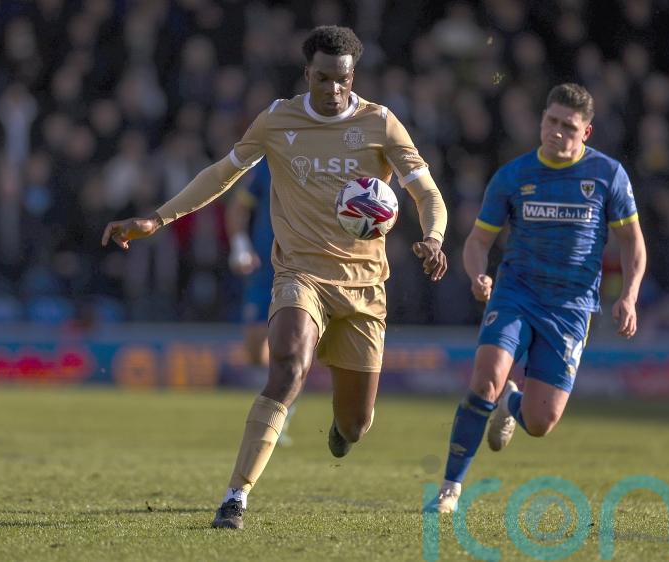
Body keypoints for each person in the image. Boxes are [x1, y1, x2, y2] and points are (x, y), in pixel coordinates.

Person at [101, 25, 448, 529]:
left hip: (364, 288)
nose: (333, 90)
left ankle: (343, 430)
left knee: (356, 423)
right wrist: (158, 218)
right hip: (299, 272)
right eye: (323, 78)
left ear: (353, 77)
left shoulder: (381, 124)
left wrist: (434, 238)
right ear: (307, 73)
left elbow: (428, 194)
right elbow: (221, 174)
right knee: (286, 364)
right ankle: (235, 496)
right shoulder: (277, 120)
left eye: (342, 80)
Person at [427, 83, 646, 513]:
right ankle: (450, 489)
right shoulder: (513, 176)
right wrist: (478, 275)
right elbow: (477, 241)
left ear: (586, 132)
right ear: (541, 120)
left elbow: (632, 243)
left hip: (570, 308)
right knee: (485, 376)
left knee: (541, 422)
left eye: (568, 126)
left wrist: (630, 297)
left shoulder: (607, 175)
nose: (557, 132)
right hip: (516, 293)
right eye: (551, 122)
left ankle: (512, 402)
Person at [226, 159, 295, 446]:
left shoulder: (327, 156)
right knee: (255, 348)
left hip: (301, 265)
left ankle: (281, 411)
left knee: (290, 344)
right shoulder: (269, 162)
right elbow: (238, 208)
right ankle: (281, 394)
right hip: (264, 266)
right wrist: (240, 246)